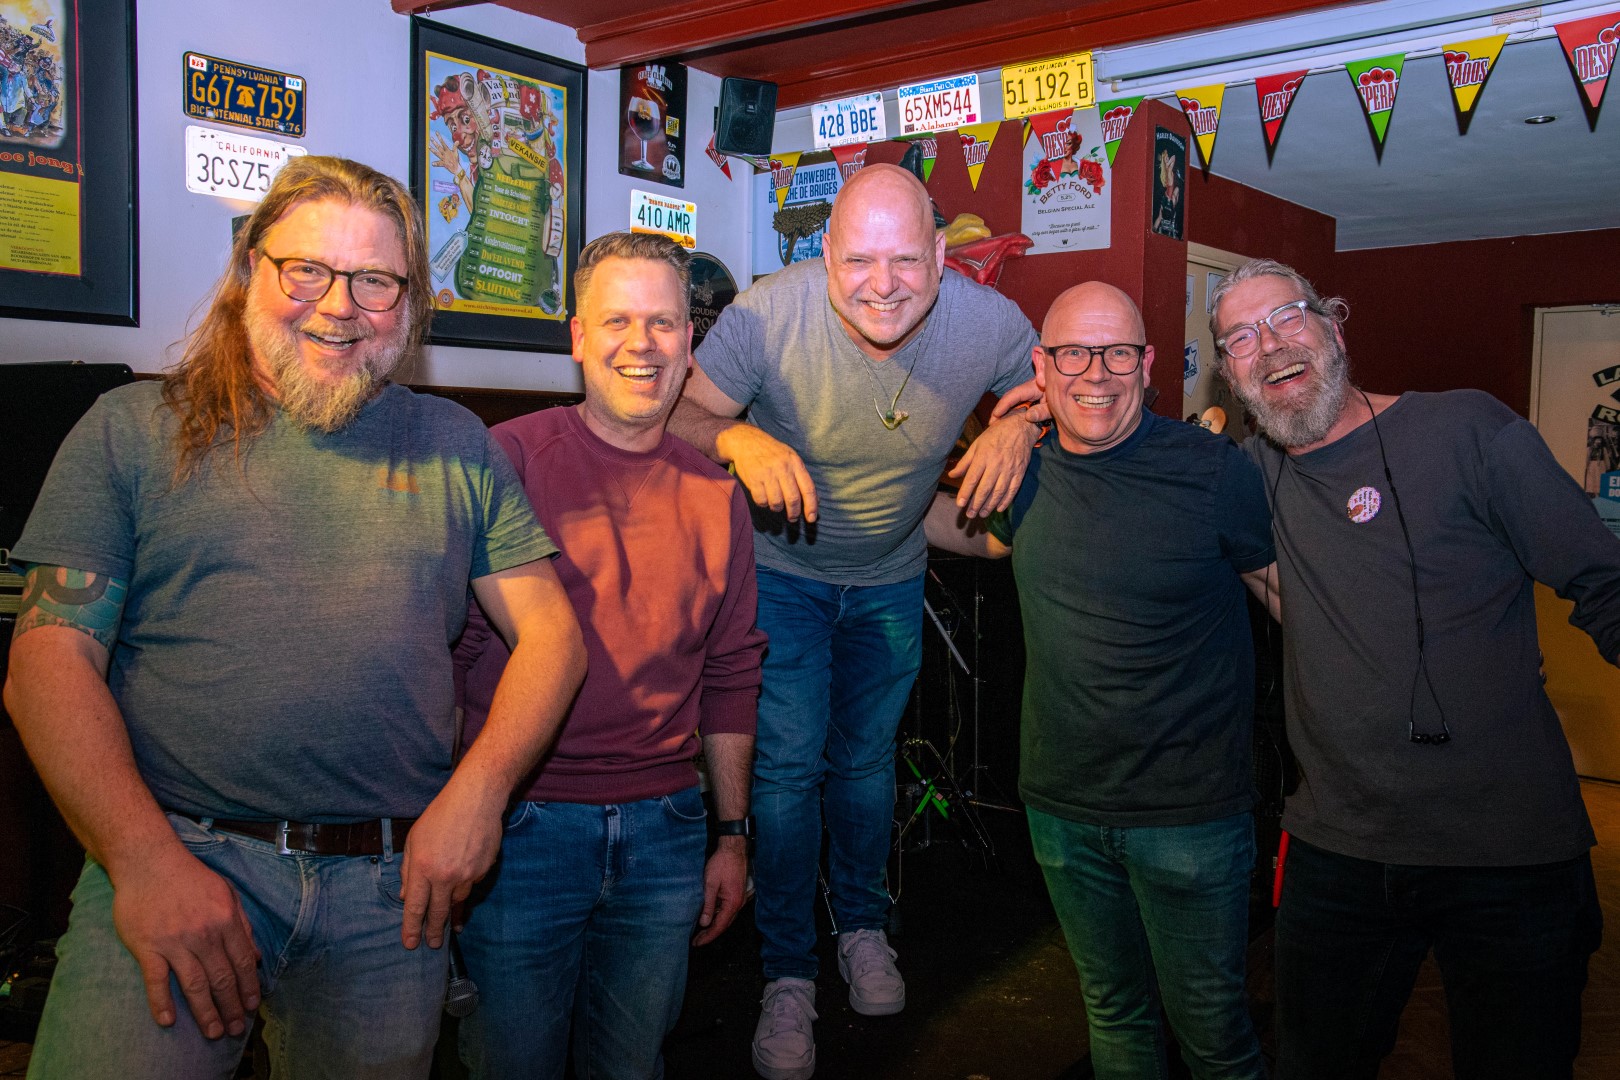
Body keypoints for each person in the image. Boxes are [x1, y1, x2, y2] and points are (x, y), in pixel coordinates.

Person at [2, 156, 586, 1080]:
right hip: (176, 858)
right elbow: (46, 663)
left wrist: (480, 796)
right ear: (249, 270)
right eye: (305, 269)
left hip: (392, 893)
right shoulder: (130, 429)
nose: (337, 304)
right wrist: (144, 863)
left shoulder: (455, 445)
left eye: (374, 281)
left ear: (409, 301)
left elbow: (553, 637)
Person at [668, 162, 1043, 1080]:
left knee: (867, 766)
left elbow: (1051, 382)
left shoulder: (989, 321)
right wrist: (738, 434)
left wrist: (1018, 424)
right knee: (790, 772)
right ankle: (788, 972)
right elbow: (678, 418)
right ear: (825, 253)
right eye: (859, 260)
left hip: (889, 576)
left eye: (907, 260)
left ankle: (864, 928)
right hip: (783, 576)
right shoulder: (764, 313)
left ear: (942, 254)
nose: (883, 284)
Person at [1209, 258, 1619, 1080]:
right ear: (1231, 375)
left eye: (1287, 318)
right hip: (1338, 852)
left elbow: (1606, 583)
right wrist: (1017, 420)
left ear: (1332, 325)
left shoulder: (1468, 431)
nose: (1272, 346)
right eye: (1241, 337)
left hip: (1511, 855)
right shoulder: (1247, 478)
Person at [926, 282, 1274, 1080]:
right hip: (1063, 813)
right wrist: (1007, 428)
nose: (1098, 372)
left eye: (1118, 352)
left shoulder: (1211, 471)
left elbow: (1286, 590)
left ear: (1148, 364)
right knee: (1113, 1019)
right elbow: (935, 520)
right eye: (1074, 353)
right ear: (1042, 368)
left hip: (1191, 818)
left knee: (1214, 1040)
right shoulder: (1027, 476)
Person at [453, 231, 767, 1080]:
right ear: (579, 338)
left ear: (689, 343)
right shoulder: (507, 460)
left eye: (664, 323)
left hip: (667, 830)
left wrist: (732, 836)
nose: (643, 344)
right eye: (618, 320)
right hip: (524, 827)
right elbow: (450, 655)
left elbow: (733, 673)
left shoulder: (717, 496)